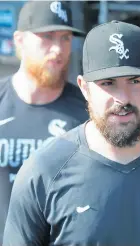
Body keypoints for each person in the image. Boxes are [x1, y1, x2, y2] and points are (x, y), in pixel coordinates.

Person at [3, 20, 140, 246]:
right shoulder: (44, 172)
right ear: (84, 88)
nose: (123, 98)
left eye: (135, 81)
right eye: (108, 83)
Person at [0, 0, 88, 244]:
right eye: (47, 37)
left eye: (66, 38)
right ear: (20, 41)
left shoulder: (88, 112)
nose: (58, 49)